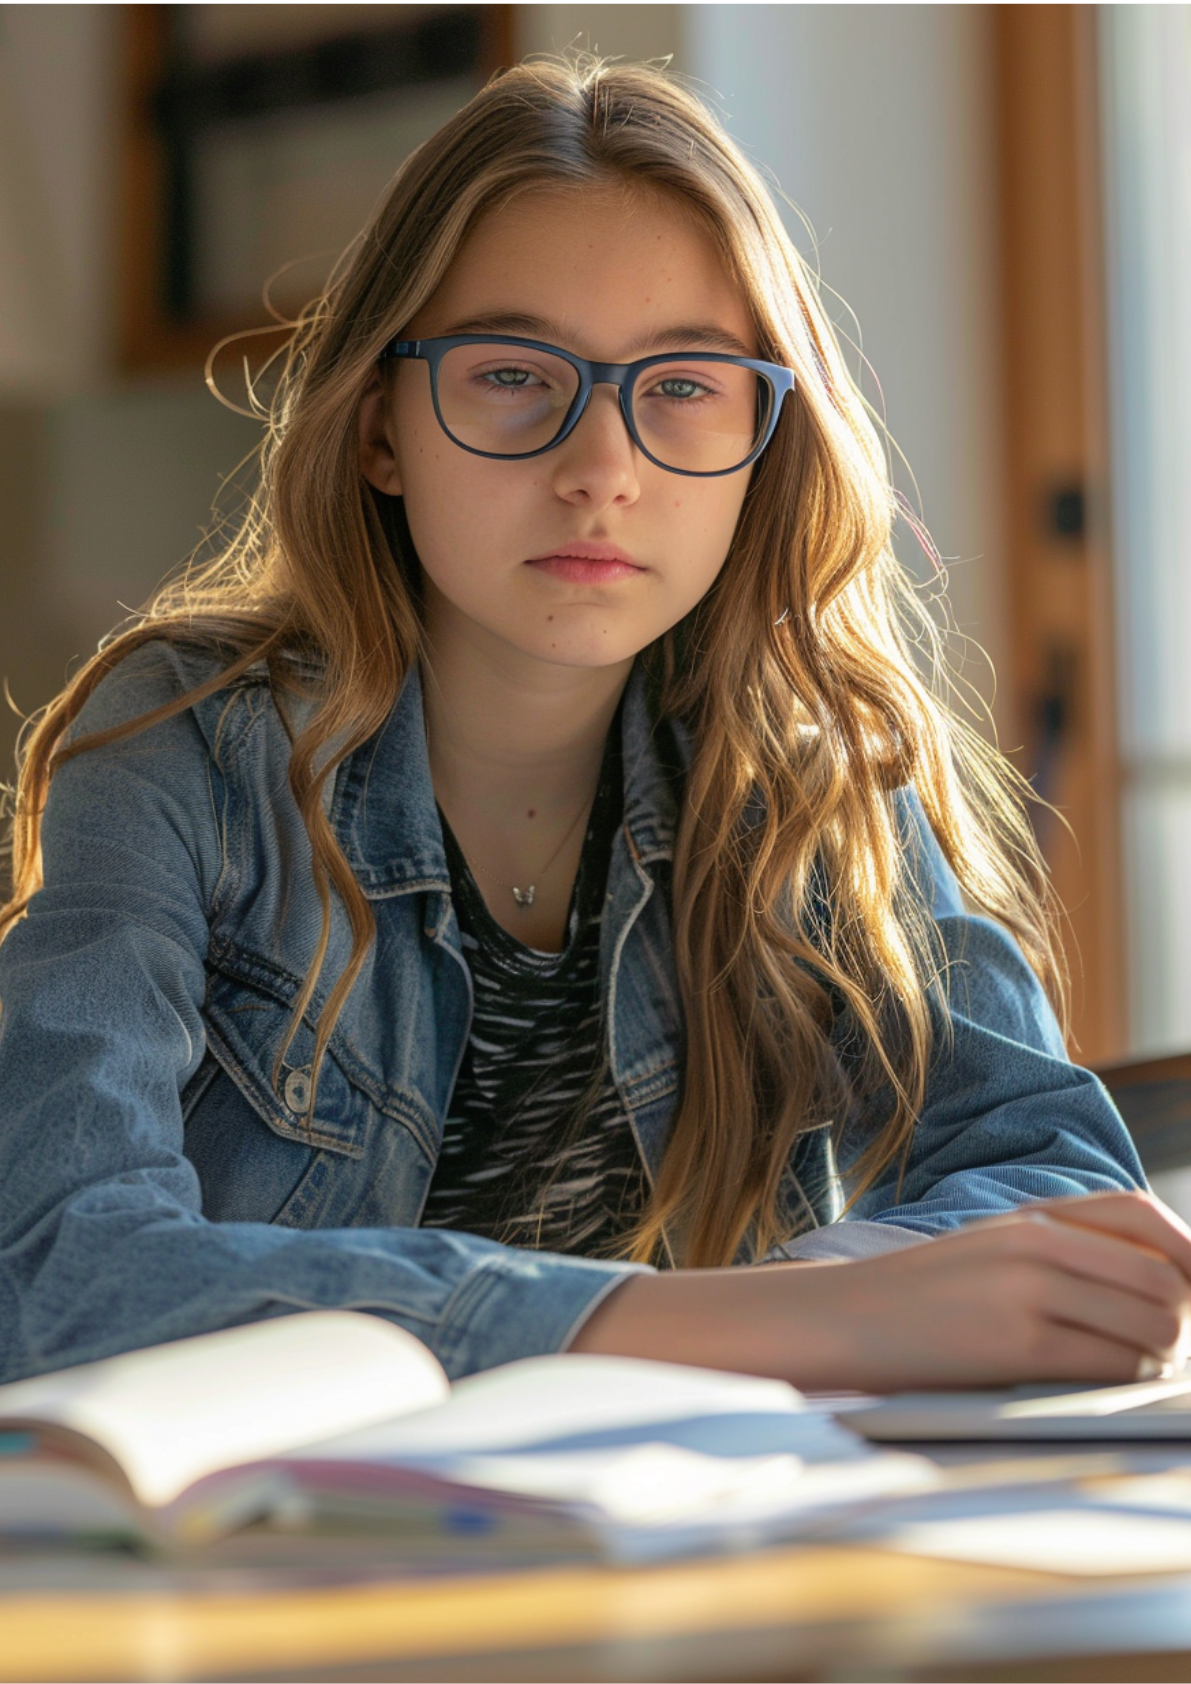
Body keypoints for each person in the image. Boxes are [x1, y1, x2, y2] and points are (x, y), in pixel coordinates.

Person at [0, 55, 1187, 1395]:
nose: (600, 471)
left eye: (682, 385)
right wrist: (784, 1324)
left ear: (762, 441)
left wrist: (814, 1300)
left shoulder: (799, 774)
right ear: (381, 427)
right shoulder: (185, 745)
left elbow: (1054, 1178)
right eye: (513, 374)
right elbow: (50, 1269)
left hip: (680, 1541)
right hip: (268, 1563)